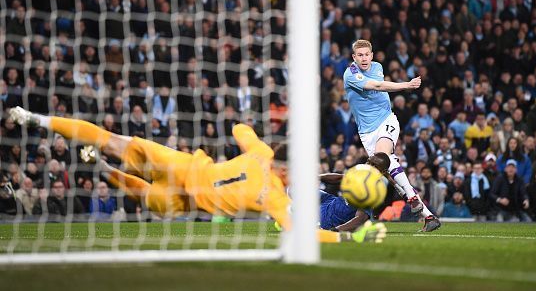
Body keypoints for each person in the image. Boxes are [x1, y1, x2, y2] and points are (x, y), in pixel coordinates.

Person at [9, 106, 385, 244]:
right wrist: (349, 241)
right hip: (184, 186)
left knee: (115, 148)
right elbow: (301, 234)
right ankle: (77, 148)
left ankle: (92, 159)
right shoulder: (274, 197)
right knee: (140, 190)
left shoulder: (262, 155)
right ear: (287, 170)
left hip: (184, 173)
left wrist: (251, 135)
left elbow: (239, 126)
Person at [343, 39, 440, 232]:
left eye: (366, 55)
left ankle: (412, 199)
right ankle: (428, 216)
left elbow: (379, 86)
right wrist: (407, 84)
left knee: (383, 157)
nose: (364, 58)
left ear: (372, 55)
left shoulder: (377, 67)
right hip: (366, 132)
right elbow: (377, 86)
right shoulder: (350, 74)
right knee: (389, 173)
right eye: (359, 55)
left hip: (386, 120)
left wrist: (406, 85)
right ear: (354, 57)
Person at [318, 153, 391, 231]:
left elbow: (360, 219)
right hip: (329, 201)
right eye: (368, 162)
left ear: (383, 172)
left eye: (374, 166)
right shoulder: (360, 176)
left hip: (328, 219)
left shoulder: (373, 191)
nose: (369, 166)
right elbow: (338, 178)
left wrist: (334, 231)